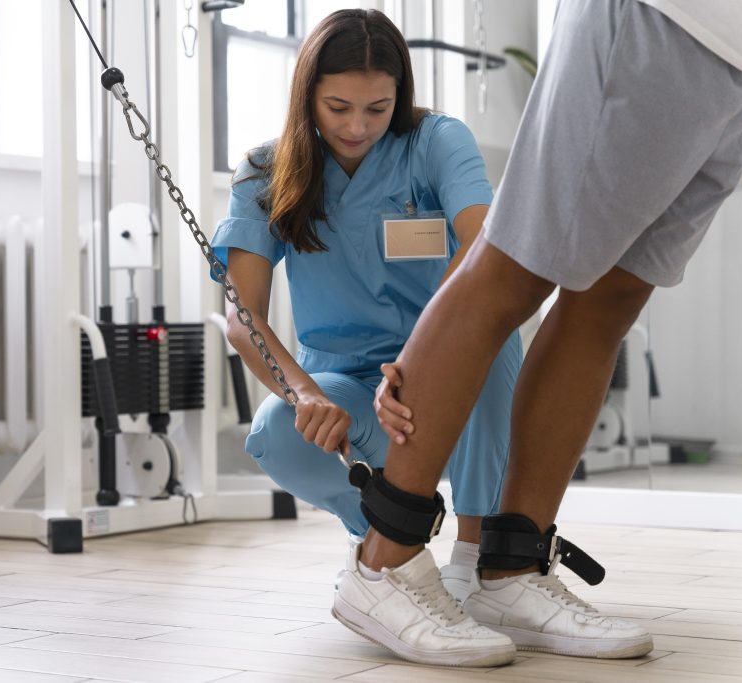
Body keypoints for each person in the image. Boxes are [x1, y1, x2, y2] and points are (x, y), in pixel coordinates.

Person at [360, 0, 742, 665]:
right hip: (665, 19)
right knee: (515, 270)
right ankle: (383, 564)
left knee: (609, 301)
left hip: (735, 59)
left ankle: (512, 569)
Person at [214, 9, 522, 667]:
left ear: (399, 97)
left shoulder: (435, 141)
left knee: (494, 332)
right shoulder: (265, 171)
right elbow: (244, 316)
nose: (357, 127)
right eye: (338, 107)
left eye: (377, 108)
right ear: (307, 97)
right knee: (276, 432)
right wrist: (302, 393)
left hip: (449, 363)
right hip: (349, 381)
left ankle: (474, 556)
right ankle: (391, 552)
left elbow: (486, 250)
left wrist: (420, 362)